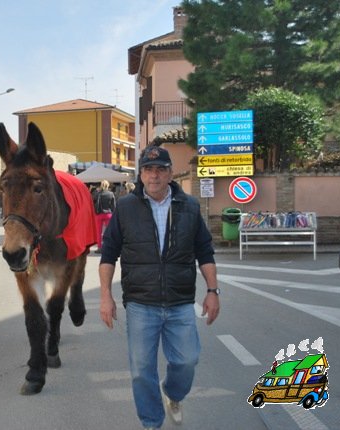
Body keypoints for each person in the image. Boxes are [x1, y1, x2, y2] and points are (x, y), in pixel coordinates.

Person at [98, 145, 220, 430]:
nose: (154, 176)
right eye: (148, 170)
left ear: (170, 173)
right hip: (141, 303)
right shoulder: (125, 207)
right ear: (140, 174)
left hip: (180, 303)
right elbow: (108, 253)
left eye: (160, 169)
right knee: (142, 371)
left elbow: (204, 250)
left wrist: (213, 291)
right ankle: (152, 423)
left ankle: (174, 394)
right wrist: (106, 296)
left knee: (188, 360)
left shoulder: (189, 206)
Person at [94, 180, 116, 252]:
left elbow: (93, 202)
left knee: (99, 232)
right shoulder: (111, 194)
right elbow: (113, 206)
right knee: (109, 232)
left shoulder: (97, 194)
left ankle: (99, 248)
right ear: (108, 185)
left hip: (99, 214)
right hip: (108, 214)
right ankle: (110, 246)